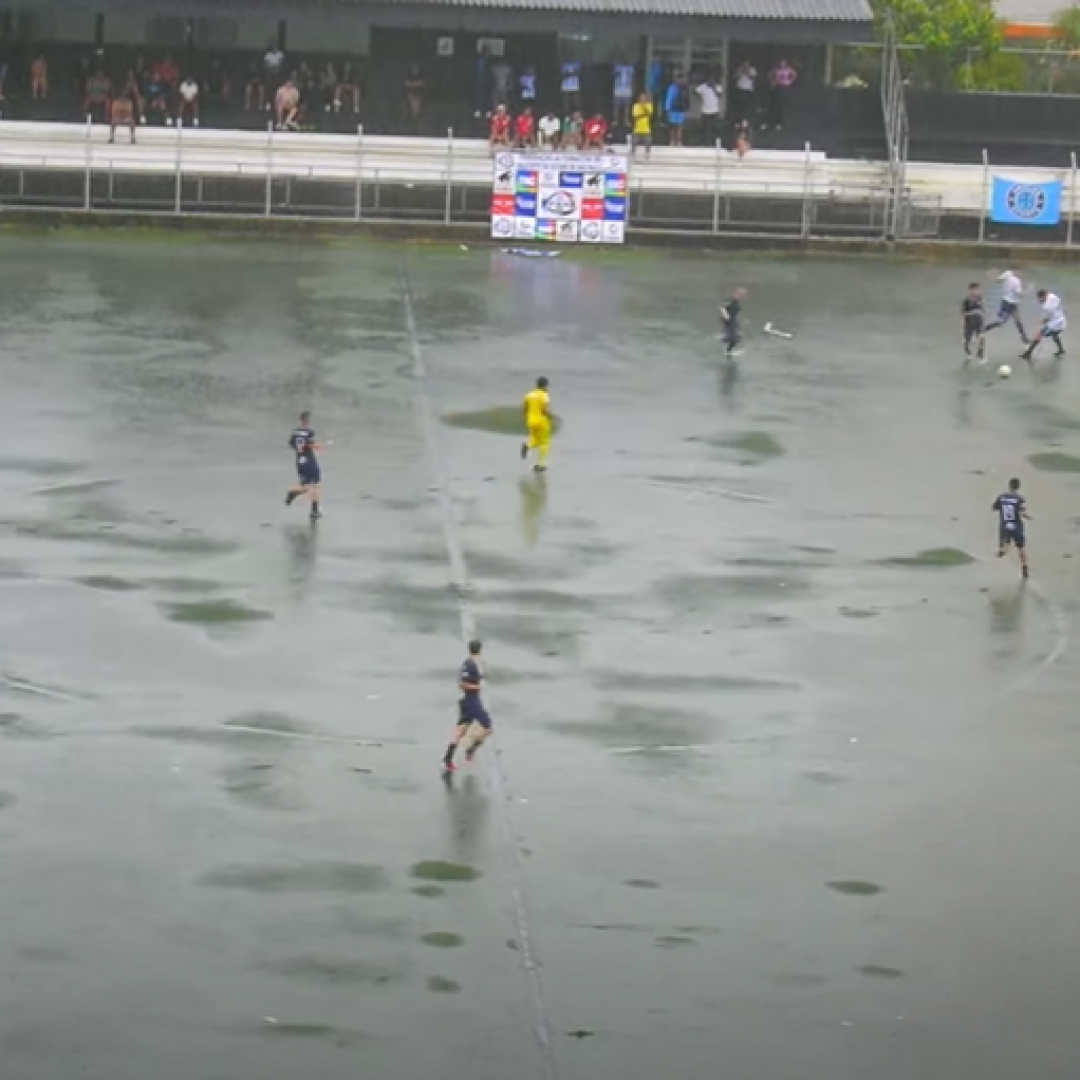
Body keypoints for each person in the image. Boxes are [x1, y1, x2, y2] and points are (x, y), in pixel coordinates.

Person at [442, 639, 492, 772]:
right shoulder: (471, 664)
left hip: (467, 701)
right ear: (480, 650)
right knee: (487, 727)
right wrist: (477, 686)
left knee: (460, 731)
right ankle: (471, 749)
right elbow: (463, 684)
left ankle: (448, 757)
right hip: (471, 702)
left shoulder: (471, 663)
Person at [285, 410, 324, 520]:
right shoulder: (310, 432)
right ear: (308, 420)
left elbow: (291, 444)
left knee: (309, 485)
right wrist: (318, 446)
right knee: (314, 484)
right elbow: (311, 444)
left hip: (299, 461)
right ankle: (312, 509)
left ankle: (313, 509)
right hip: (309, 461)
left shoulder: (295, 432)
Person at [993, 477, 1030, 579]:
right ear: (1018, 487)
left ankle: (1002, 551)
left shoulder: (1001, 497)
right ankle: (1025, 567)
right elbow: (1022, 512)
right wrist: (1028, 517)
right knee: (1021, 548)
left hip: (1005, 526)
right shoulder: (1020, 498)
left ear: (1009, 485)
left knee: (1006, 544)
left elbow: (994, 507)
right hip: (1017, 526)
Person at [1021, 289, 1066, 362]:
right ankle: (1061, 349)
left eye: (1040, 298)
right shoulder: (1052, 295)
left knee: (1039, 334)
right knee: (1055, 335)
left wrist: (1043, 321)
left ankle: (1028, 353)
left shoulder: (1047, 306)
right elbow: (1058, 303)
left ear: (1044, 296)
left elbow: (1048, 317)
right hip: (1061, 320)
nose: (1039, 300)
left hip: (1056, 323)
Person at [985, 268, 1028, 343]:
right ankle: (982, 329)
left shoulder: (1007, 273)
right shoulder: (1017, 281)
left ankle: (1024, 338)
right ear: (1017, 271)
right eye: (1021, 272)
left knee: (1018, 320)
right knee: (1000, 322)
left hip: (1007, 302)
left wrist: (991, 275)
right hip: (1009, 304)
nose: (1021, 274)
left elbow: (997, 281)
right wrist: (1027, 291)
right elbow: (1020, 294)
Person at [521, 376, 552, 472]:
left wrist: (526, 417)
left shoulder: (529, 394)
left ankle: (527, 445)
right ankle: (541, 465)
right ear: (544, 386)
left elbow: (525, 408)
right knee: (545, 442)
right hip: (541, 421)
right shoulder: (544, 395)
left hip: (531, 420)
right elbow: (545, 409)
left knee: (535, 438)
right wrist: (550, 417)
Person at [961, 281, 986, 363]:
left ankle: (980, 355)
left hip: (978, 322)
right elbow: (963, 313)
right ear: (970, 290)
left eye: (978, 290)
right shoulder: (966, 301)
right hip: (969, 323)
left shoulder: (980, 298)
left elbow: (982, 306)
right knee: (966, 341)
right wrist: (973, 312)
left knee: (982, 337)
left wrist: (985, 310)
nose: (977, 292)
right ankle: (968, 354)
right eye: (975, 290)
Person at [768, 59, 797, 130]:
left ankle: (782, 122)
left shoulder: (788, 69)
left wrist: (790, 81)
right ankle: (776, 121)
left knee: (783, 104)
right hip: (778, 86)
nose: (782, 64)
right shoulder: (777, 70)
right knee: (777, 105)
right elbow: (771, 74)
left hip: (785, 87)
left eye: (783, 63)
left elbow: (794, 74)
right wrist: (773, 82)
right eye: (781, 63)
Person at [696, 76, 723, 146]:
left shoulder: (717, 87)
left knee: (716, 128)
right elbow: (695, 91)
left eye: (712, 80)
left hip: (715, 110)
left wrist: (714, 88)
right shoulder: (703, 86)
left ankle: (715, 143)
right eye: (709, 80)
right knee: (705, 128)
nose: (711, 81)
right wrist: (700, 97)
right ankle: (705, 142)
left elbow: (719, 95)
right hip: (705, 110)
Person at [664, 73, 689, 146]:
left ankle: (679, 141)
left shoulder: (685, 88)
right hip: (673, 109)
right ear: (678, 79)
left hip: (681, 109)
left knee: (680, 126)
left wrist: (686, 109)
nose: (683, 81)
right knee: (672, 126)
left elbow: (687, 99)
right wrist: (667, 109)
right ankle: (672, 140)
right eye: (682, 79)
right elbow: (669, 98)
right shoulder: (672, 87)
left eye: (684, 79)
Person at [720, 287, 747, 357]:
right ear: (735, 293)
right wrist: (725, 316)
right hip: (728, 321)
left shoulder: (736, 302)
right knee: (734, 340)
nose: (741, 297)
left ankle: (726, 337)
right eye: (740, 295)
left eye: (742, 295)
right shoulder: (730, 301)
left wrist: (743, 320)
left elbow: (736, 312)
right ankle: (728, 352)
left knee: (738, 333)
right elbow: (722, 308)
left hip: (733, 320)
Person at [631, 92, 653, 160]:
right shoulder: (635, 106)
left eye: (643, 97)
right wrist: (644, 114)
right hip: (637, 128)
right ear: (638, 98)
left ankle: (647, 155)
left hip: (646, 128)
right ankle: (633, 155)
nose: (642, 99)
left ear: (646, 98)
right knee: (634, 142)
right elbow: (635, 116)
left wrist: (644, 107)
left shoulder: (649, 105)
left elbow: (649, 114)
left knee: (648, 142)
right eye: (641, 97)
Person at [612, 62, 635, 128]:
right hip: (618, 89)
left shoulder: (630, 67)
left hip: (627, 89)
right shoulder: (617, 66)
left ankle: (626, 120)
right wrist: (616, 72)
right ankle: (615, 120)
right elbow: (613, 74)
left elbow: (633, 77)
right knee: (616, 106)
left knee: (627, 107)